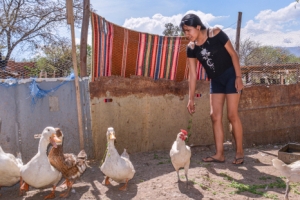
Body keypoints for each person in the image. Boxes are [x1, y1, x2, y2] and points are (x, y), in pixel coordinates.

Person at [180, 13, 244, 164]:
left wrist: (239, 77)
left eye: (188, 30)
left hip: (231, 77)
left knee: (232, 115)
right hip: (216, 81)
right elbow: (193, 75)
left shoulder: (215, 33)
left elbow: (233, 55)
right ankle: (219, 154)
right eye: (184, 32)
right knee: (214, 116)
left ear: (198, 26)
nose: (186, 34)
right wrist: (190, 98)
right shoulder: (191, 48)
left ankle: (240, 152)